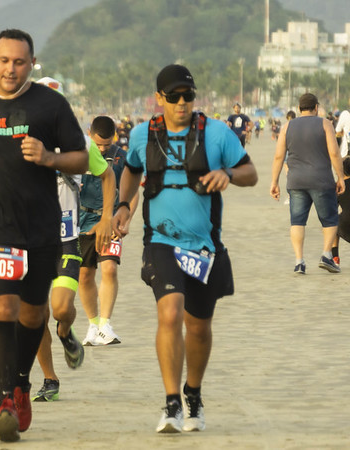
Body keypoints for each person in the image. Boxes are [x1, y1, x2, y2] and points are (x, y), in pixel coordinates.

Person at [0, 29, 91, 442]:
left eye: (20, 62)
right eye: (4, 60)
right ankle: (4, 401)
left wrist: (49, 158)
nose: (11, 69)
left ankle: (22, 384)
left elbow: (82, 158)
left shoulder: (51, 105)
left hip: (42, 226)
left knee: (33, 315)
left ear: (32, 64)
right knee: (1, 310)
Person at [112, 64, 257, 434]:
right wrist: (124, 205)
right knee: (170, 313)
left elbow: (250, 173)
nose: (181, 103)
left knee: (199, 327)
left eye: (187, 96)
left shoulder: (217, 133)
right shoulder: (144, 134)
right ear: (159, 98)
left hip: (205, 246)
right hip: (160, 242)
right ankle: (172, 402)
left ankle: (193, 395)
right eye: (173, 96)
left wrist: (228, 174)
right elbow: (130, 170)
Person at [30, 79, 112, 403]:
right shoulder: (21, 143)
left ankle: (65, 332)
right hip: (31, 242)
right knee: (35, 317)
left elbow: (107, 175)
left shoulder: (80, 144)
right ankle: (50, 379)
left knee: (61, 308)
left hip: (67, 240)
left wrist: (106, 217)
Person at [78, 116, 137, 347]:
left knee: (110, 268)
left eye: (106, 145)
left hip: (111, 219)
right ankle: (92, 324)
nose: (102, 150)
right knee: (85, 275)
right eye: (98, 144)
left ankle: (105, 324)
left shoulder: (122, 158)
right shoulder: (79, 154)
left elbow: (132, 193)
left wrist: (126, 220)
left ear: (115, 136)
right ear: (89, 134)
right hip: (82, 220)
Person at [270, 93, 345, 274]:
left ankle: (299, 262)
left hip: (296, 182)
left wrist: (274, 181)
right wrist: (341, 177)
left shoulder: (287, 126)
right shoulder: (325, 124)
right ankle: (327, 255)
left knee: (297, 221)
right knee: (329, 219)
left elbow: (279, 156)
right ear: (316, 107)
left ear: (299, 108)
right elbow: (334, 153)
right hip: (321, 180)